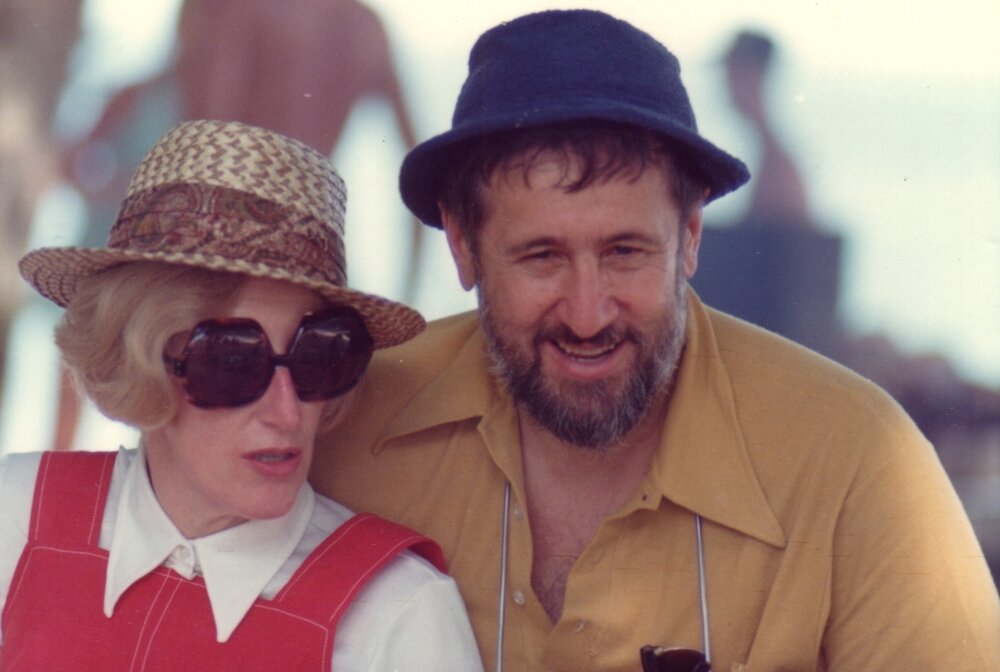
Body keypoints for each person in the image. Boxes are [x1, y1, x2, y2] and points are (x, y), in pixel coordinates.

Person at [310, 10, 1000, 672]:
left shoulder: (857, 459)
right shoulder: (337, 419)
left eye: (625, 252)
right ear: (462, 246)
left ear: (691, 236)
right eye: (542, 256)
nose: (587, 314)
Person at [0, 120, 482, 671]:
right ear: (139, 358)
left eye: (317, 358)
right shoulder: (16, 514)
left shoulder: (397, 613)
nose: (287, 412)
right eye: (232, 360)